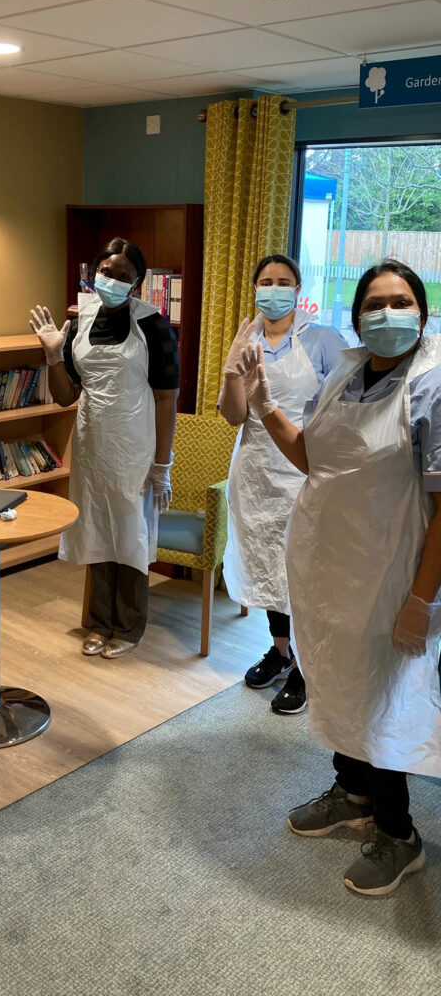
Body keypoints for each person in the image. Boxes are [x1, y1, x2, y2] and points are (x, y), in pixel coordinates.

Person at [235, 259, 441, 896]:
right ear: (356, 317)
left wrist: (419, 600)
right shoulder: (348, 371)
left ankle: (399, 834)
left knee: (383, 694)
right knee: (337, 676)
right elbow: (311, 457)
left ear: (422, 310)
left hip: (393, 568)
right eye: (374, 303)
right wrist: (265, 404)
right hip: (333, 562)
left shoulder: (431, 383)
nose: (387, 313)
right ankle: (352, 792)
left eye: (401, 301)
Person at [29, 237, 178, 659]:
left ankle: (128, 626)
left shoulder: (153, 325)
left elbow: (167, 398)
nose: (111, 281)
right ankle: (98, 622)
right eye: (106, 272)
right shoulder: (80, 321)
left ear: (137, 284)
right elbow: (65, 397)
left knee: (130, 536)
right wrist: (53, 357)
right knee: (95, 529)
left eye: (123, 276)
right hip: (92, 445)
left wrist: (162, 464)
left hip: (135, 447)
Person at [220, 256, 346, 714]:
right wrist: (232, 374)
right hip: (255, 472)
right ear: (254, 287)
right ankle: (281, 652)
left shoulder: (323, 340)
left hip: (303, 470)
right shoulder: (245, 339)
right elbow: (234, 416)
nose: (274, 289)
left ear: (298, 289)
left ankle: (307, 669)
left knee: (303, 572)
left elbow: (342, 409)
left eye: (284, 282)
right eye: (266, 282)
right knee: (270, 569)